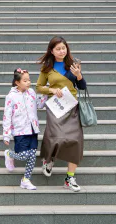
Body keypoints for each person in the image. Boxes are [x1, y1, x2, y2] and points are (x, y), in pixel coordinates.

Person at [36, 36, 87, 192]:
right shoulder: (47, 68)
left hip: (71, 106)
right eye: (58, 49)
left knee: (75, 140)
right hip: (55, 106)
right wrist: (52, 90)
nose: (61, 51)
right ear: (52, 50)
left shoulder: (72, 64)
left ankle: (70, 178)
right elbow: (39, 87)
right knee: (56, 135)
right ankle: (48, 160)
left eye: (63, 48)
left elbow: (82, 86)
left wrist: (79, 75)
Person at [3, 68, 40, 190]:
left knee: (33, 155)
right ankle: (10, 154)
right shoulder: (11, 97)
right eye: (25, 80)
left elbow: (39, 104)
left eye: (29, 80)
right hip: (20, 130)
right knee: (24, 155)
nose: (28, 82)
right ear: (17, 82)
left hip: (33, 129)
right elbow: (7, 116)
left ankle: (26, 179)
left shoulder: (32, 92)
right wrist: (6, 135)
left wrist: (47, 94)